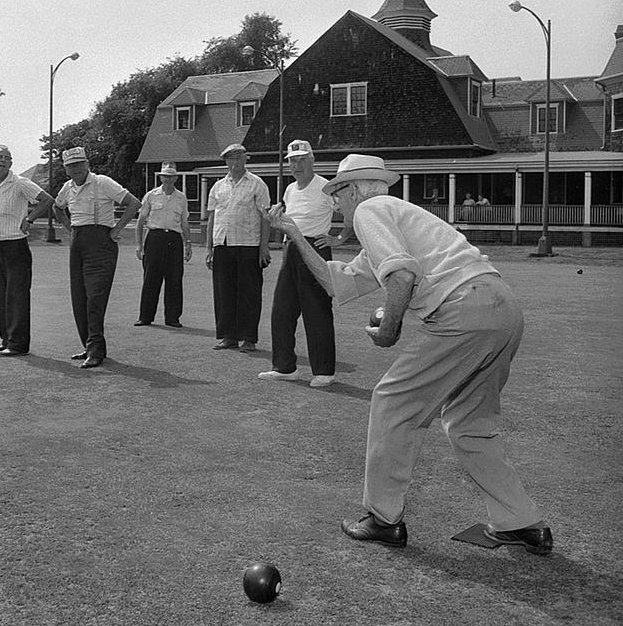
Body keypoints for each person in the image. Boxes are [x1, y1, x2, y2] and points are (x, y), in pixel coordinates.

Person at [265, 153, 552, 555]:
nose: (335, 204)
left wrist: (389, 328)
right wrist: (294, 233)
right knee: (468, 423)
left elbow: (401, 275)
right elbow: (340, 283)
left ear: (352, 191)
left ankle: (383, 519)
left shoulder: (371, 210)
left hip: (462, 310)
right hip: (502, 308)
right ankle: (522, 521)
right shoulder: (395, 218)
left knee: (393, 400)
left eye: (336, 195)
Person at [257, 139, 347, 387]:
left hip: (315, 250)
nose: (296, 165)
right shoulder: (290, 190)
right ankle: (284, 367)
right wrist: (276, 216)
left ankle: (324, 371)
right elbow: (291, 219)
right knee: (281, 312)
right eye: (292, 161)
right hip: (291, 248)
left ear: (311, 160)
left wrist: (338, 239)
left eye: (300, 160)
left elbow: (349, 213)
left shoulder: (326, 187)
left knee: (316, 312)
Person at [53, 147, 141, 367]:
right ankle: (89, 346)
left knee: (95, 298)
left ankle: (96, 350)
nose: (76, 169)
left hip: (101, 243)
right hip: (78, 242)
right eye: (71, 166)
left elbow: (134, 203)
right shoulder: (67, 187)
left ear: (87, 164)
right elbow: (57, 207)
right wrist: (68, 228)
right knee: (79, 297)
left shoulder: (102, 182)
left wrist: (117, 229)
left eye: (79, 164)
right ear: (66, 169)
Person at [0, 144, 55, 357]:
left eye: (6, 157)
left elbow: (47, 200)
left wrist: (30, 218)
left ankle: (18, 344)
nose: (2, 160)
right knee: (0, 295)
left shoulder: (21, 183)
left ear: (11, 162)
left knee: (17, 296)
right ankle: (6, 339)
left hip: (16, 245)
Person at [205, 143, 271, 353]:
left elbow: (266, 218)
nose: (234, 163)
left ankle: (249, 338)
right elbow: (212, 218)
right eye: (230, 159)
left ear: (245, 159)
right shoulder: (218, 186)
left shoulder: (257, 184)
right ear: (225, 161)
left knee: (249, 294)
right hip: (222, 245)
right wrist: (209, 249)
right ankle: (228, 336)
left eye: (238, 158)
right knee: (224, 293)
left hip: (248, 245)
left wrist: (264, 247)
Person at [134, 161, 192, 328]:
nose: (168, 180)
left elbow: (184, 223)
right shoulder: (151, 195)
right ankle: (145, 316)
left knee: (174, 279)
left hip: (174, 239)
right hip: (155, 238)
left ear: (175, 178)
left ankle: (172, 317)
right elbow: (140, 221)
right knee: (151, 278)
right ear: (161, 177)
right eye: (165, 176)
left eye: (171, 177)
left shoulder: (181, 198)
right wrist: (139, 245)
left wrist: (188, 244)